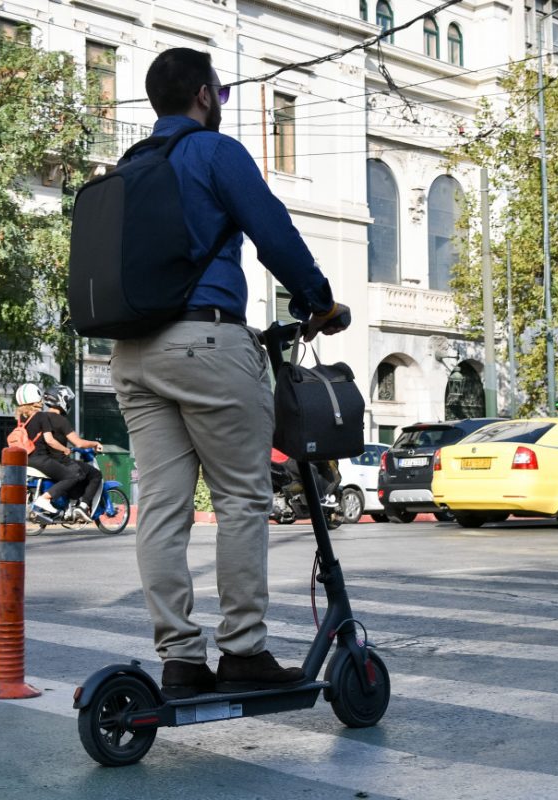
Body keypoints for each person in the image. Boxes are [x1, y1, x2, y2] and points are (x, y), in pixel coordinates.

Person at [110, 48, 352, 699]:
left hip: (132, 356)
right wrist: (318, 301)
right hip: (207, 341)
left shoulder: (129, 166)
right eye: (219, 90)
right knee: (241, 497)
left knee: (160, 511)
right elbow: (273, 233)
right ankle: (243, 649)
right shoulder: (216, 153)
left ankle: (180, 659)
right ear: (203, 96)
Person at [26, 385, 104, 522]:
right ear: (61, 400)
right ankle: (83, 506)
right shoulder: (61, 420)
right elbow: (78, 443)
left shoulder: (39, 417)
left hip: (43, 460)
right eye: (67, 400)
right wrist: (95, 444)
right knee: (95, 474)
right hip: (60, 460)